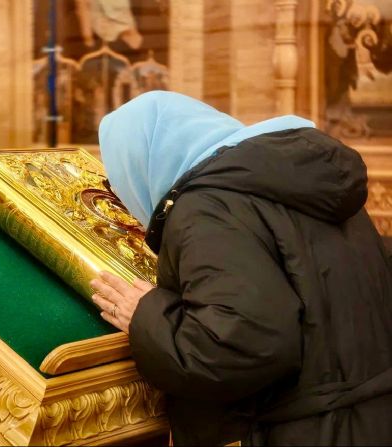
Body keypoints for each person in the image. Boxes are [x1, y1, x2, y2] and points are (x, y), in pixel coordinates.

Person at [90, 91, 392, 446]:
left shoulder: (207, 208)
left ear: (139, 164)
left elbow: (240, 346)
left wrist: (145, 316)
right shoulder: (304, 179)